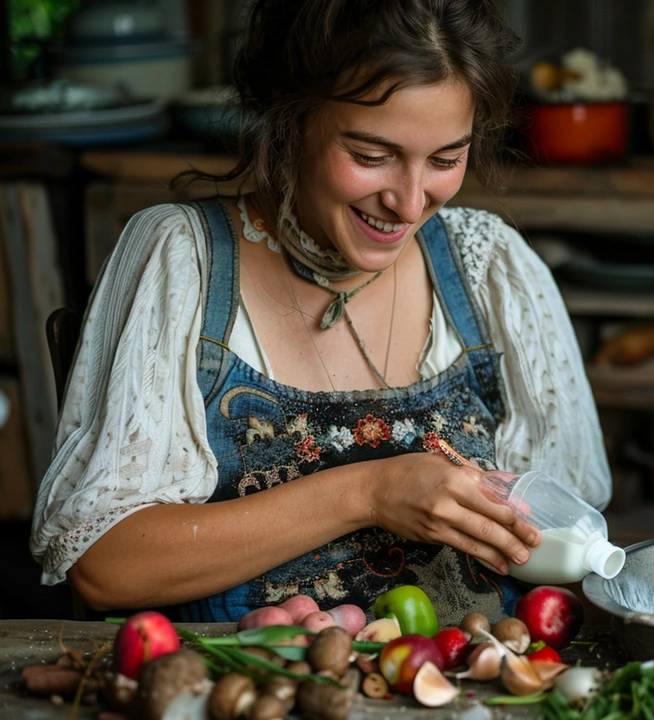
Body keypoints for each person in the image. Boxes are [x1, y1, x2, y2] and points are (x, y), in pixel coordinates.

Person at [30, 0, 611, 625]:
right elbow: (102, 567)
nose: (409, 202)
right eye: (370, 155)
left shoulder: (490, 268)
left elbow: (570, 538)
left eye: (445, 160)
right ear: (290, 118)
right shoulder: (183, 260)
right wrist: (369, 491)